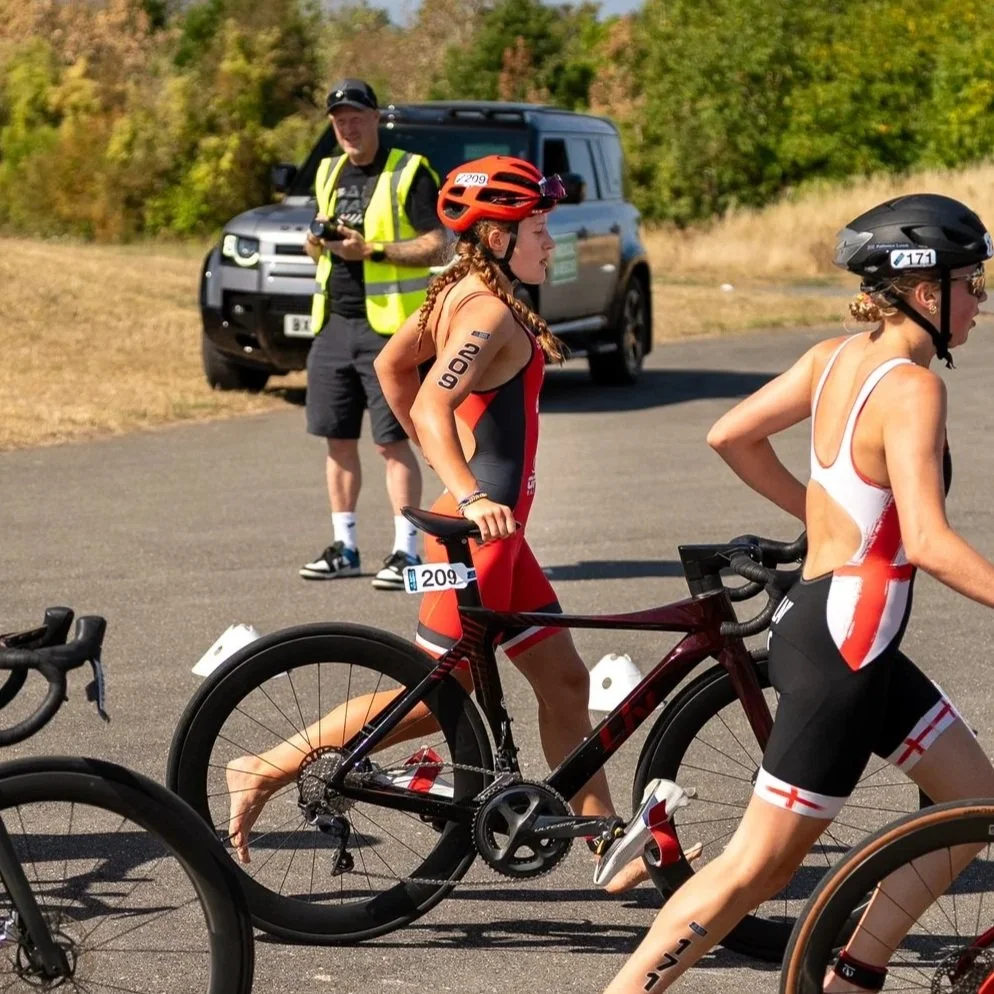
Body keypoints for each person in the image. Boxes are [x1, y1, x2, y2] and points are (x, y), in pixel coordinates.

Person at [597, 193, 994, 994]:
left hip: (845, 633)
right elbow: (928, 542)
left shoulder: (834, 357)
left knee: (975, 804)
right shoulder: (913, 389)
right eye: (971, 282)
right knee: (755, 869)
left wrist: (825, 518)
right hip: (846, 647)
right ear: (924, 290)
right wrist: (835, 524)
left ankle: (853, 973)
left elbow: (730, 435)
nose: (980, 300)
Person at [226, 156, 654, 893]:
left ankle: (607, 846)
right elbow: (423, 403)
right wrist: (465, 489)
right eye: (539, 230)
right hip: (474, 537)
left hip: (498, 541)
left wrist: (462, 487)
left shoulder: (464, 290)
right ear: (495, 235)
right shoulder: (485, 309)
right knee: (431, 702)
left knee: (564, 682)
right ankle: (264, 764)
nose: (551, 243)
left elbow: (394, 369)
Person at [300, 78, 449, 590]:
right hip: (334, 324)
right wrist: (316, 245)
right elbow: (322, 237)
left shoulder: (408, 171)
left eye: (356, 117)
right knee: (336, 440)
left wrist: (375, 251)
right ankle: (344, 546)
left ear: (375, 118)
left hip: (389, 330)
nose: (348, 127)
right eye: (339, 120)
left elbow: (439, 245)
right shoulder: (328, 171)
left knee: (392, 445)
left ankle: (406, 552)